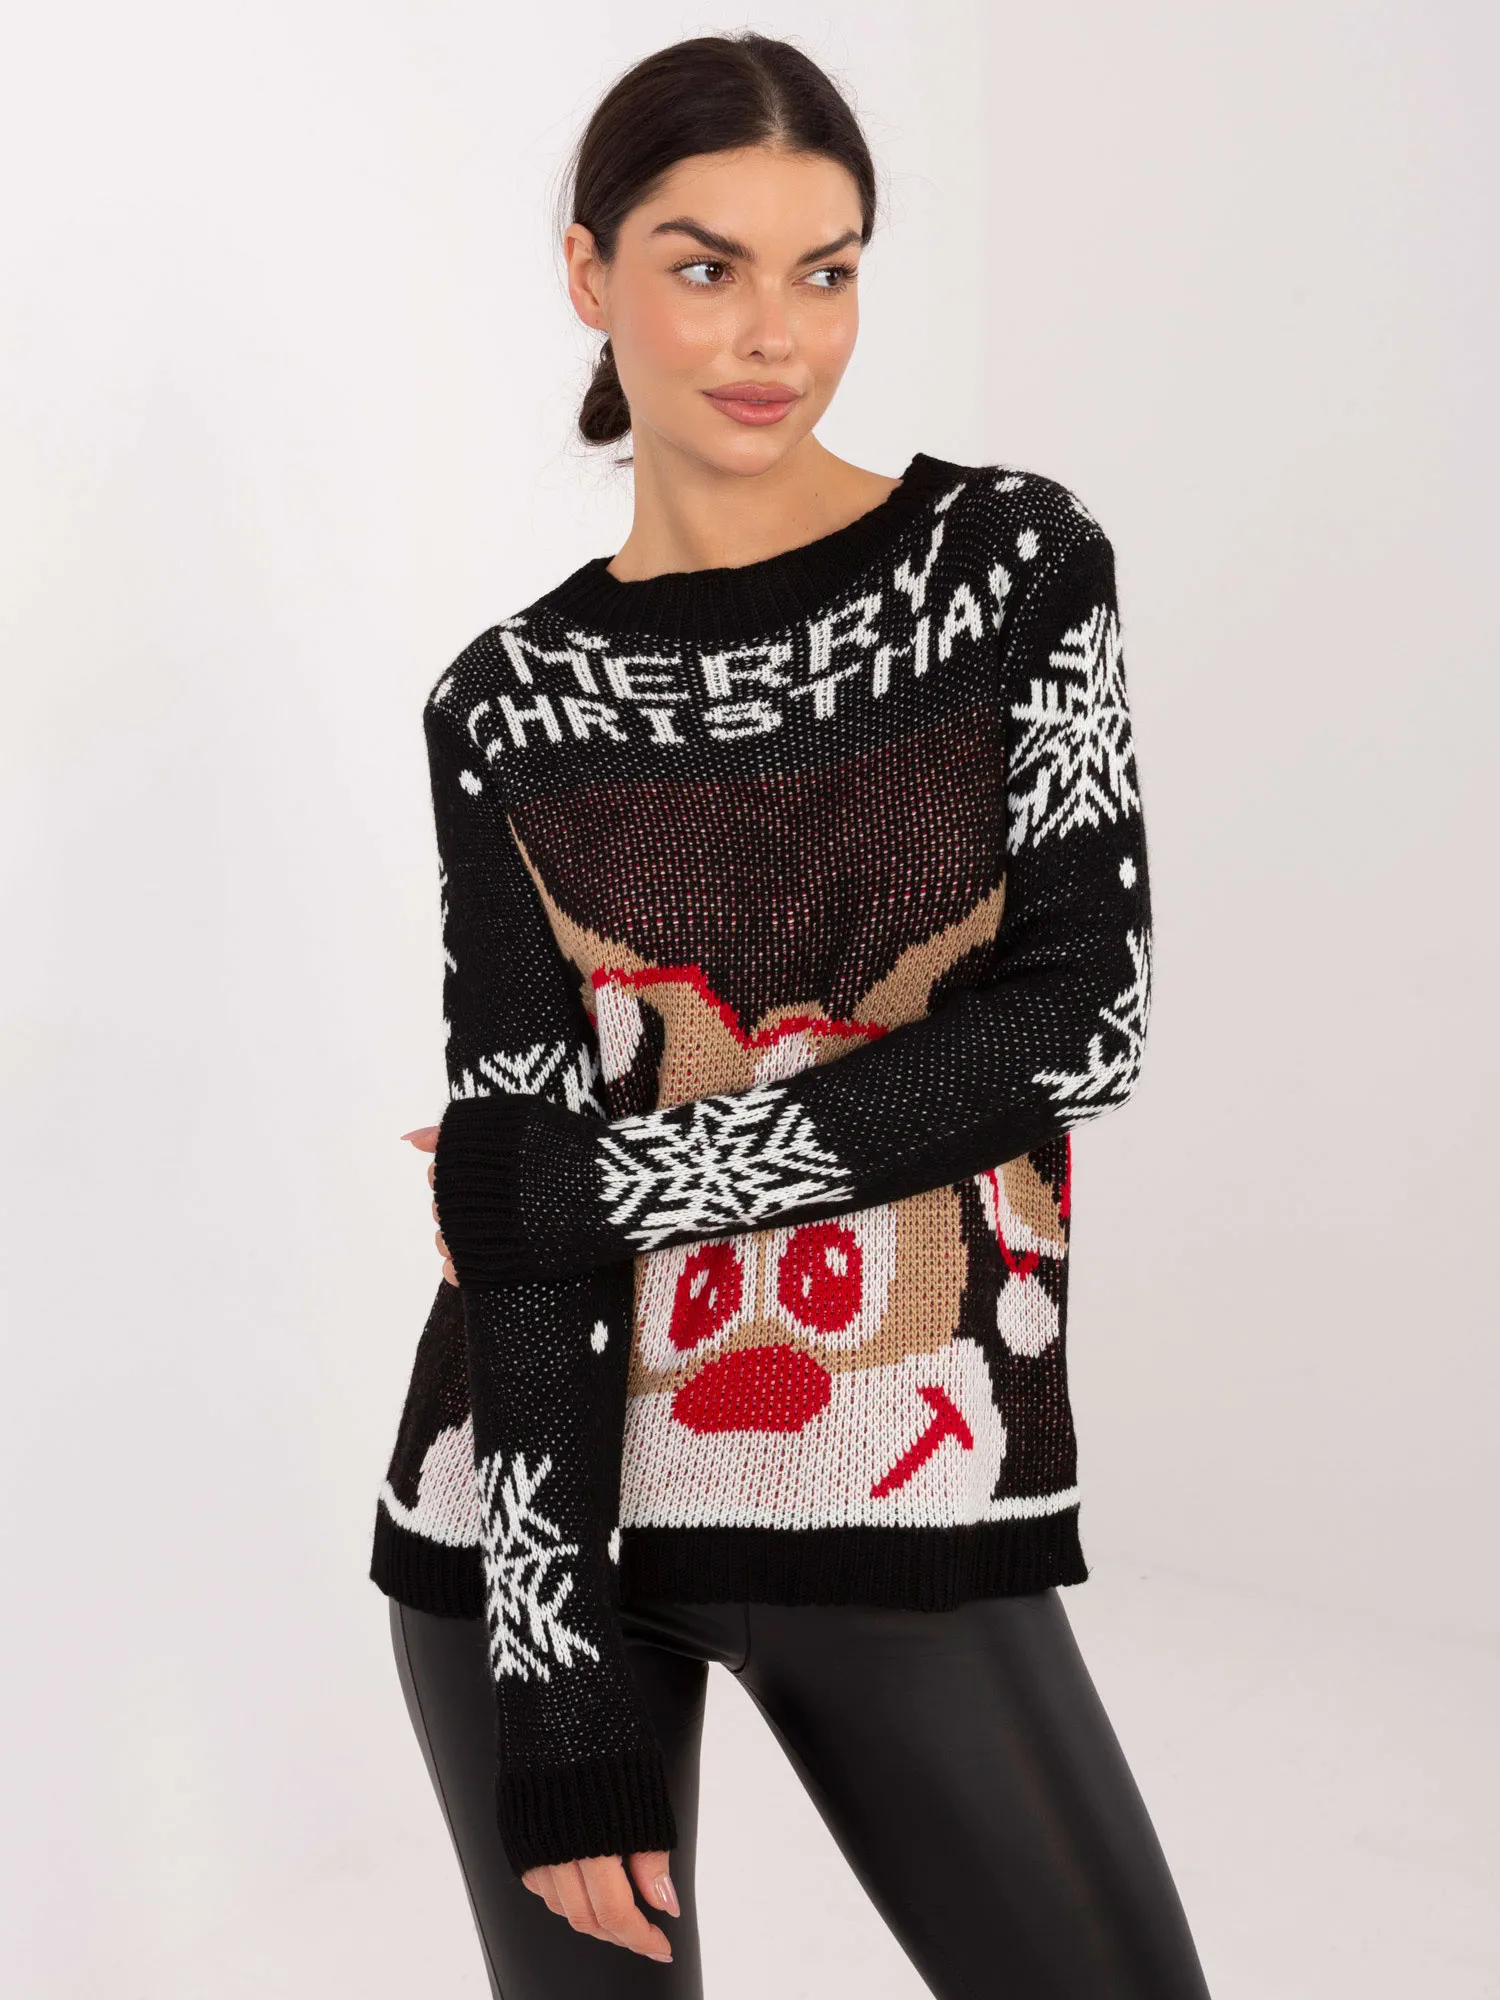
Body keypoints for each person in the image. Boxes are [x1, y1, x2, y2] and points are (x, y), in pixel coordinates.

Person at [369, 29, 1212, 2000]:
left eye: (825, 271)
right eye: (707, 266)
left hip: (898, 1482)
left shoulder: (1010, 568)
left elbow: (1077, 1020)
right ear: (589, 275)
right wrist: (556, 1689)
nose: (776, 334)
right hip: (529, 1519)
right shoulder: (504, 704)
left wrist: (599, 1181)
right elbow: (515, 1214)